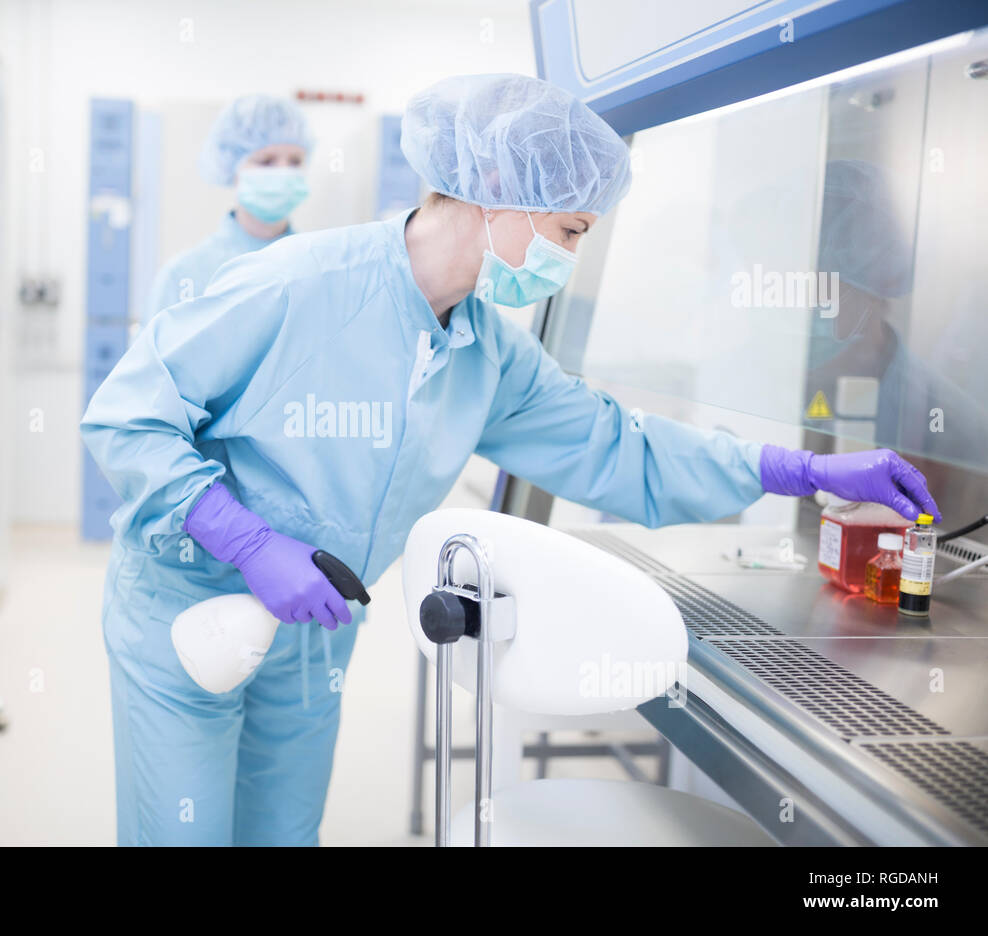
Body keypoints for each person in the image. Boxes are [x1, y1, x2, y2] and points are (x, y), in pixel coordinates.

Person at [82, 74, 941, 847]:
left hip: (312, 634)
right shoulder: (299, 283)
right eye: (569, 229)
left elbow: (618, 446)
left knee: (282, 836)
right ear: (495, 187)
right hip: (188, 606)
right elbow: (127, 418)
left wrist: (801, 472)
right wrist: (248, 543)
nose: (570, 256)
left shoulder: (488, 351)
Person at [143, 94, 313, 324]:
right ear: (231, 168)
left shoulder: (317, 267)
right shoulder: (185, 276)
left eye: (295, 162)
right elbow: (154, 358)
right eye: (266, 161)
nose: (283, 172)